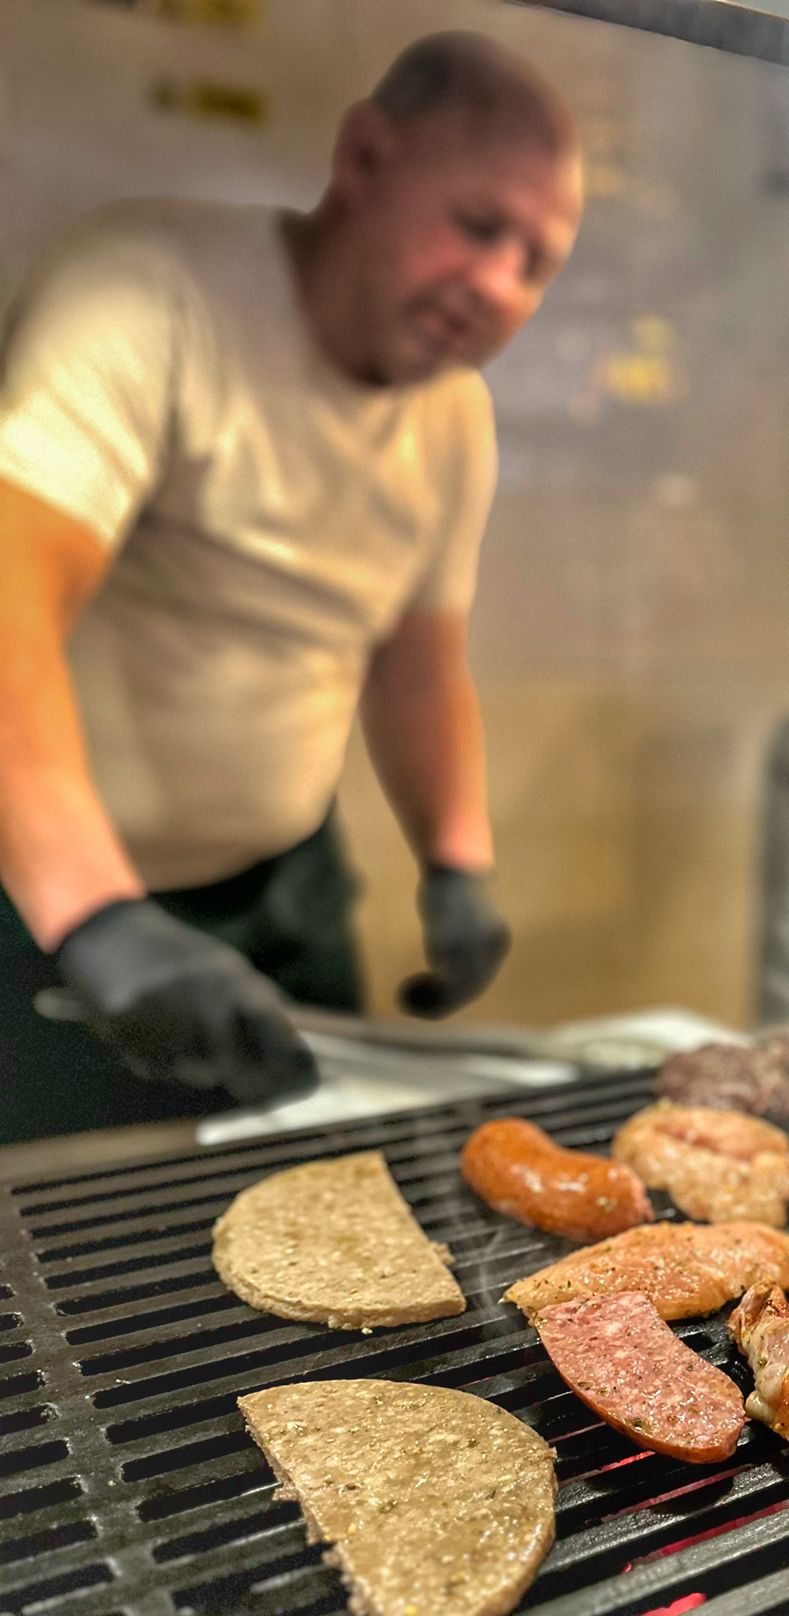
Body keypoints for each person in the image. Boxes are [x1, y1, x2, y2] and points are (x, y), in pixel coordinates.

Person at [0, 32, 583, 1143]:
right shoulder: (145, 292)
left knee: (331, 1186)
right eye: (478, 226)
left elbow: (416, 659)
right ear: (364, 157)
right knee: (69, 1214)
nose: (500, 287)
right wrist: (92, 909)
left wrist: (456, 860)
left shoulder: (454, 413)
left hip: (288, 890)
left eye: (537, 264)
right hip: (55, 900)